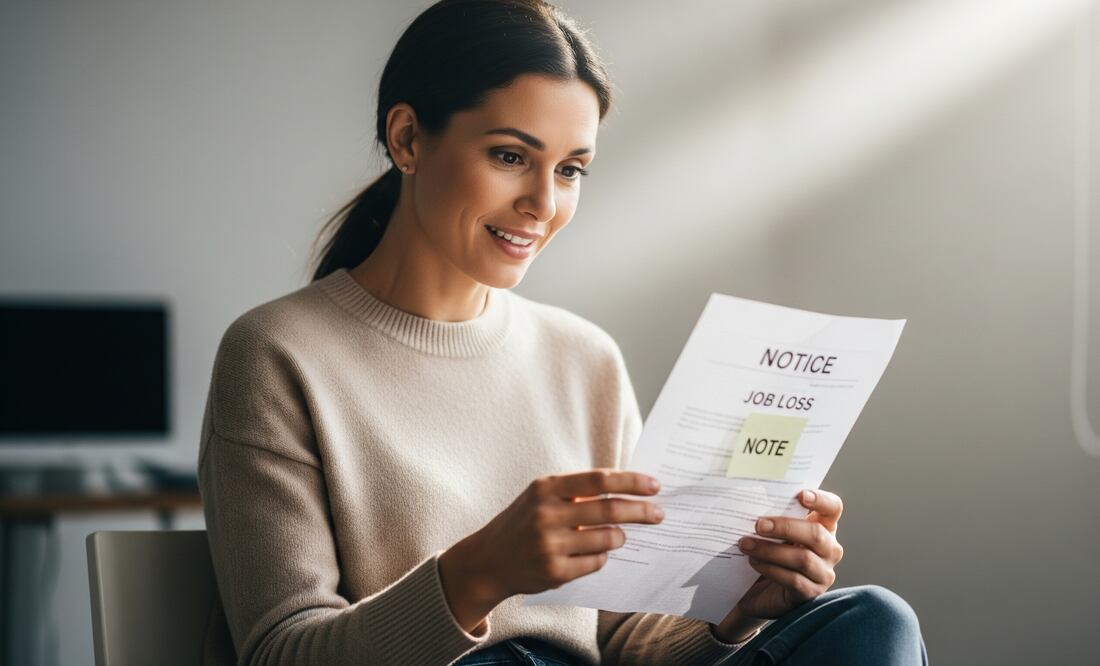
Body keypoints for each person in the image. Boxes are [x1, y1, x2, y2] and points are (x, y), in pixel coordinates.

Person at [196, 0, 929, 663]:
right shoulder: (278, 354)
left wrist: (736, 614)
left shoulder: (585, 359)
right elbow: (282, 654)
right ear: (408, 137)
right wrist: (478, 573)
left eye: (571, 169)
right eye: (510, 156)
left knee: (872, 620)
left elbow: (619, 640)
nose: (543, 204)